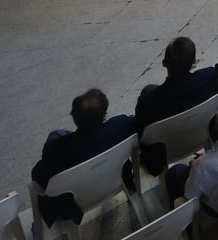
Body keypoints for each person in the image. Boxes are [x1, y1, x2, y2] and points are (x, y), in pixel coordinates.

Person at [29, 89, 137, 224]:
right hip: (116, 181)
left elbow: (38, 177)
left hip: (74, 204)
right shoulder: (122, 125)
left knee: (56, 135)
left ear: (74, 117)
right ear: (104, 112)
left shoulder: (57, 150)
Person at [134, 38, 218, 171]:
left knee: (148, 89)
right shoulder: (210, 77)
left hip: (165, 154)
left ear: (164, 63)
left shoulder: (148, 102)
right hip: (205, 135)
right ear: (194, 61)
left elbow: (141, 134)